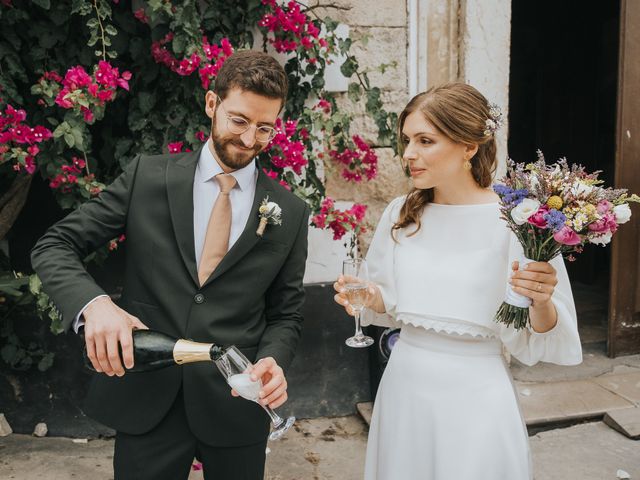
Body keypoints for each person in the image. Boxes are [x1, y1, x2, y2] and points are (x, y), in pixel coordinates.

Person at [31, 50, 310, 480]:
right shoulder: (148, 177)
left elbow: (286, 314)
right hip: (148, 398)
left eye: (265, 128)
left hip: (238, 403)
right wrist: (95, 305)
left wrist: (274, 360)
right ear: (212, 104)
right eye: (239, 120)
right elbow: (55, 243)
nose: (251, 140)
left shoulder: (289, 211)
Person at [333, 82, 582, 480]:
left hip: (476, 397)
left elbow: (540, 337)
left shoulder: (518, 221)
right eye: (407, 140)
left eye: (425, 140)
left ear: (469, 146)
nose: (409, 153)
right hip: (405, 389)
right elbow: (387, 301)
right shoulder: (401, 213)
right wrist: (367, 297)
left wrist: (541, 299)